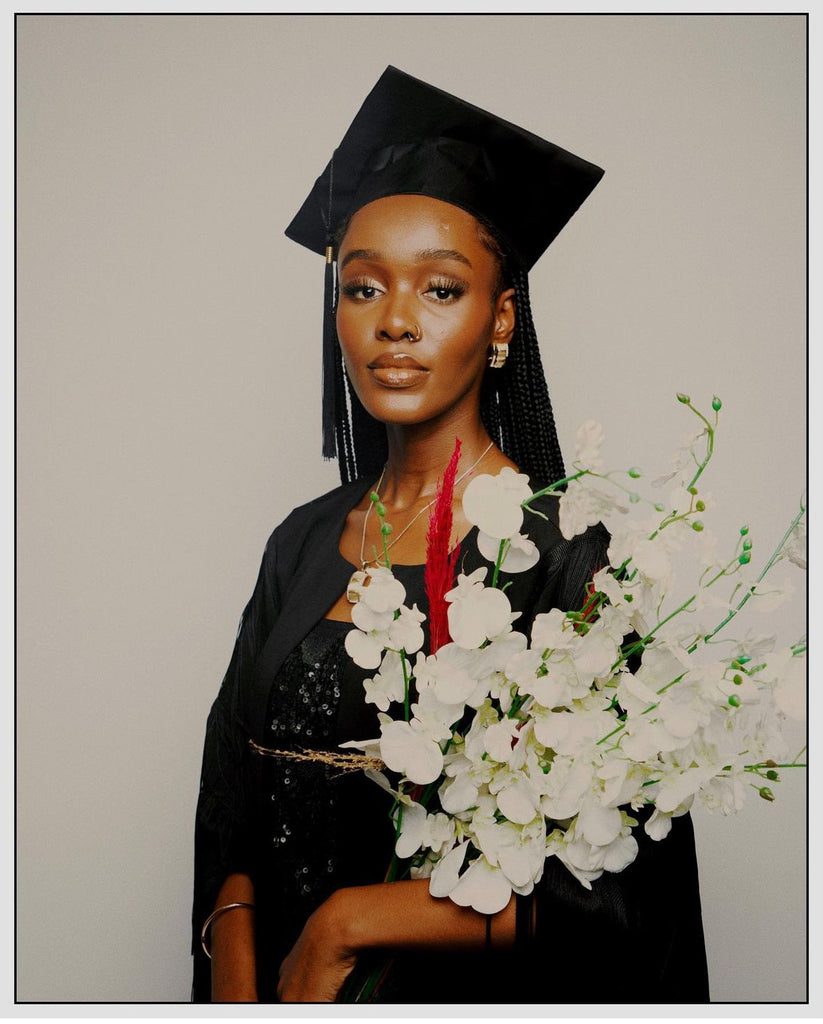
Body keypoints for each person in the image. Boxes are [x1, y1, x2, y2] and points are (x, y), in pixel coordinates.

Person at [192, 66, 709, 1004]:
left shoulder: (566, 555)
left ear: (499, 317)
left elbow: (622, 889)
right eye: (360, 289)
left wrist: (344, 928)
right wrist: (234, 950)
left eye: (439, 289)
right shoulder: (301, 543)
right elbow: (233, 788)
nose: (394, 322)